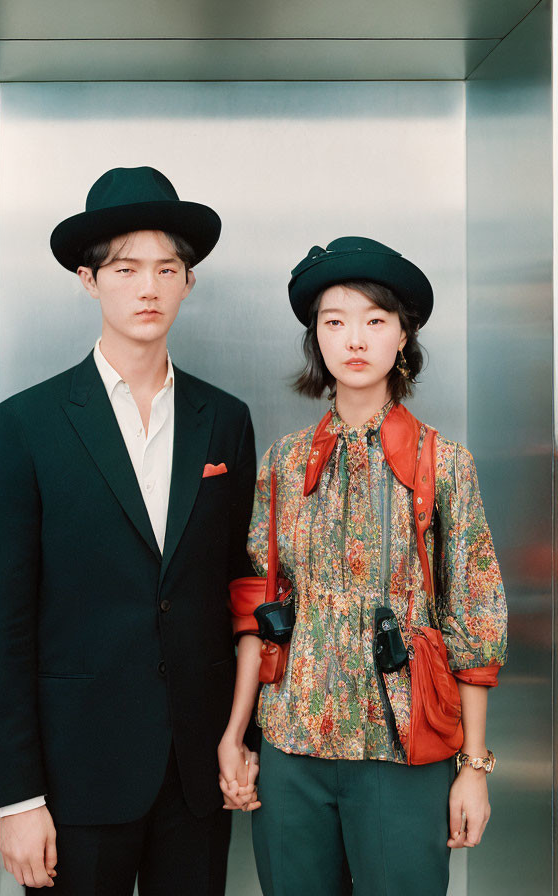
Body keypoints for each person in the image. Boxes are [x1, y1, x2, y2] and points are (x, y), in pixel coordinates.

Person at [0, 166, 259, 895]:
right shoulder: (26, 425)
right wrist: (18, 796)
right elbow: (3, 620)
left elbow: (239, 585)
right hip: (75, 779)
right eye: (126, 268)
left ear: (189, 284)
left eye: (168, 269)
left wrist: (241, 738)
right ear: (88, 279)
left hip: (196, 773)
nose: (149, 288)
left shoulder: (223, 418)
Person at [220, 237, 507, 896]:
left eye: (375, 320)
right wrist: (237, 736)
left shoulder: (445, 464)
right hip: (291, 751)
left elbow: (477, 626)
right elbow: (260, 613)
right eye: (335, 320)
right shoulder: (286, 464)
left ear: (402, 336)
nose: (355, 338)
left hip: (402, 755)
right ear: (315, 339)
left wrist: (474, 768)